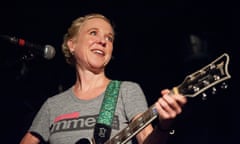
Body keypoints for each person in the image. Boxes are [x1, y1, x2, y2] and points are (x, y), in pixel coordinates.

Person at [20, 13, 187, 144]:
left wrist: (164, 126)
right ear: (72, 44)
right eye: (93, 33)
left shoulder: (126, 91)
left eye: (109, 38)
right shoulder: (53, 105)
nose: (103, 41)